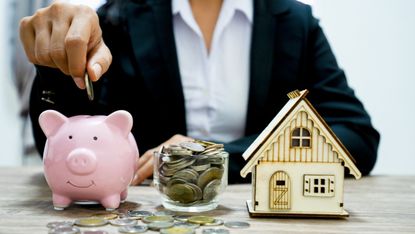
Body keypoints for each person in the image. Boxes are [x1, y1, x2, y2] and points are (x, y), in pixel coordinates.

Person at [20, 0, 380, 185]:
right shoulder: (122, 15)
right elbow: (64, 140)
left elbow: (355, 136)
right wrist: (52, 67)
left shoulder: (295, 22)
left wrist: (214, 157)